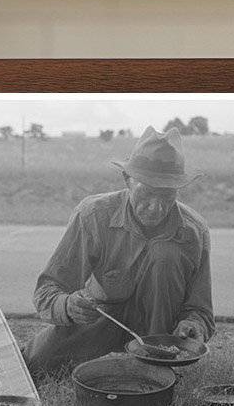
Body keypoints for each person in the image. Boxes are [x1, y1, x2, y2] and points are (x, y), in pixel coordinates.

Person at [24, 125, 215, 374]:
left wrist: (193, 325)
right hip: (101, 317)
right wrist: (69, 306)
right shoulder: (93, 215)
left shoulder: (194, 231)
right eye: (147, 194)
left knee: (164, 256)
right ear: (127, 180)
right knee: (36, 363)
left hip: (160, 334)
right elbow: (47, 290)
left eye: (167, 196)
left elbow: (201, 310)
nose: (156, 208)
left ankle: (156, 366)